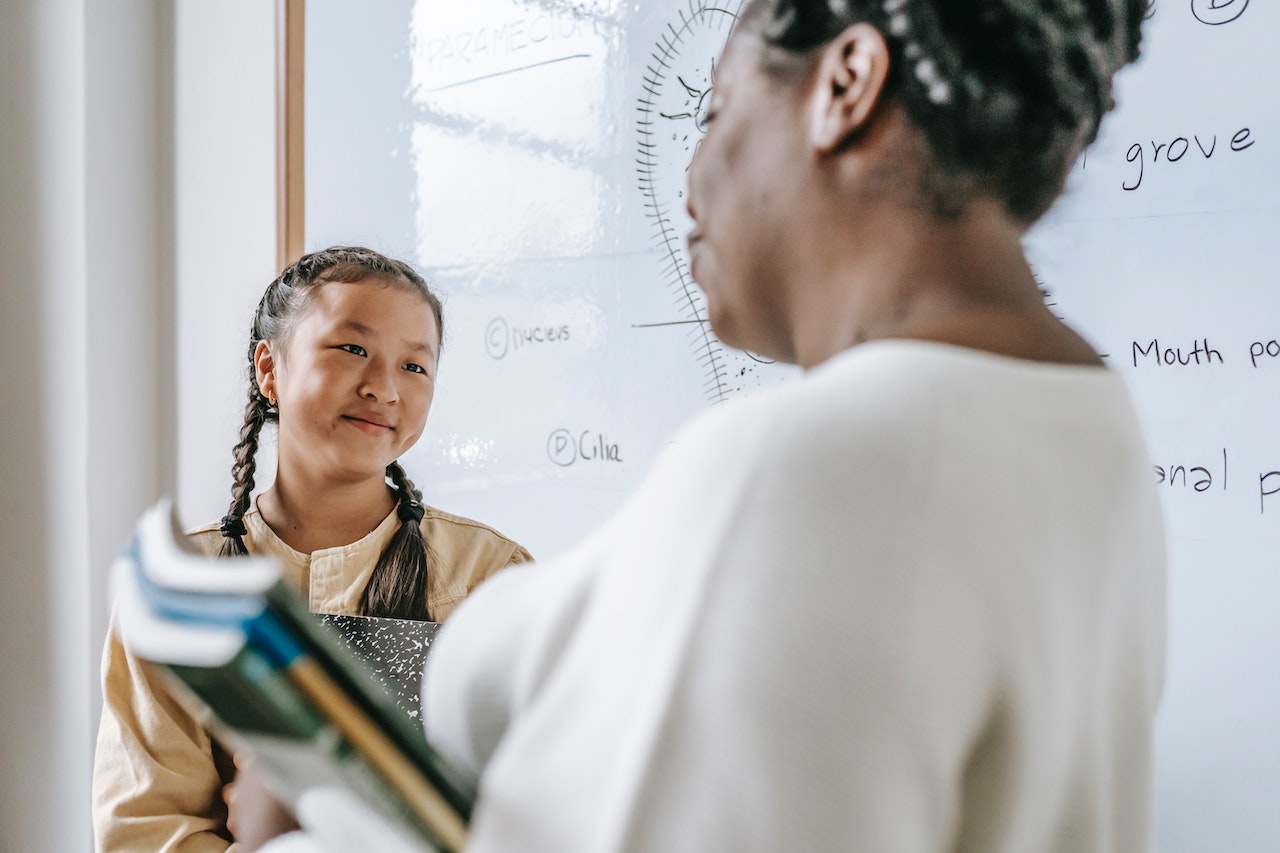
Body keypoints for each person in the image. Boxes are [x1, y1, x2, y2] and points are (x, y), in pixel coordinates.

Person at [262, 0, 1168, 849]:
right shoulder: (1091, 436)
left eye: (714, 113)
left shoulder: (807, 468)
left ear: (845, 87)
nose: (691, 177)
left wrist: (306, 822)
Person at [92, 246, 533, 852]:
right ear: (269, 370)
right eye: (352, 349)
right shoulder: (183, 588)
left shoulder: (490, 577)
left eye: (415, 366)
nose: (383, 387)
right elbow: (144, 827)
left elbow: (536, 807)